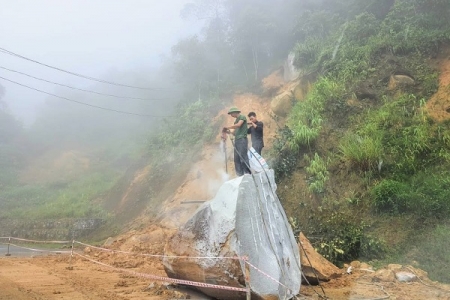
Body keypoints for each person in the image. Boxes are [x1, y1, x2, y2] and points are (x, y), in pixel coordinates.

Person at [224, 107, 251, 176]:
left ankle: (247, 173)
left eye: (231, 114)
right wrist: (227, 132)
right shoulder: (236, 121)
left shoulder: (242, 117)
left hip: (242, 139)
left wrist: (228, 127)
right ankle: (239, 174)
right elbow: (234, 133)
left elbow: (239, 125)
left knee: (243, 156)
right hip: (237, 140)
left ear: (235, 112)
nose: (231, 115)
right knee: (236, 158)